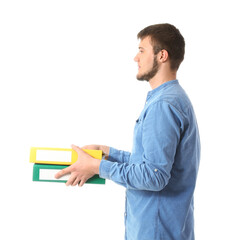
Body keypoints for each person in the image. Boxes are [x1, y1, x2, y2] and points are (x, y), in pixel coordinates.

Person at [55, 23, 201, 240]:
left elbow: (154, 177)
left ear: (162, 55)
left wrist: (97, 166)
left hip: (156, 233)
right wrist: (107, 153)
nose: (136, 58)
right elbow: (151, 164)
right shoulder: (170, 99)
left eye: (142, 50)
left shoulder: (164, 105)